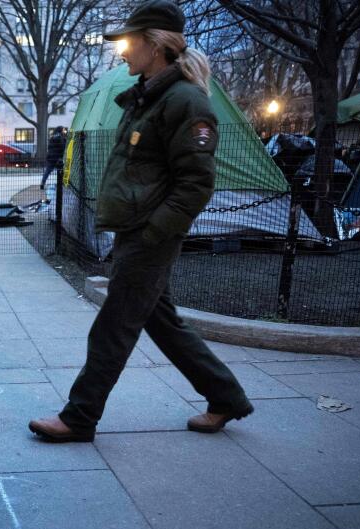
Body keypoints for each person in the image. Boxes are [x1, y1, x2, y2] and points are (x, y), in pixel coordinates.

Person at [29, 0, 253, 443]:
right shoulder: (149, 97)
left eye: (131, 43)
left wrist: (153, 232)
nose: (123, 52)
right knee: (161, 320)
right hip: (137, 229)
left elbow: (195, 184)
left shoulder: (186, 102)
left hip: (150, 234)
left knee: (113, 326)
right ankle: (225, 396)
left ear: (156, 46)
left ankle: (79, 417)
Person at [40, 126, 66, 199]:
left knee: (47, 171)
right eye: (63, 130)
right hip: (57, 157)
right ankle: (62, 183)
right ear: (60, 130)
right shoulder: (60, 137)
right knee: (61, 171)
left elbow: (49, 147)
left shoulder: (52, 137)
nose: (64, 131)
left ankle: (42, 183)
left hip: (51, 157)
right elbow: (62, 147)